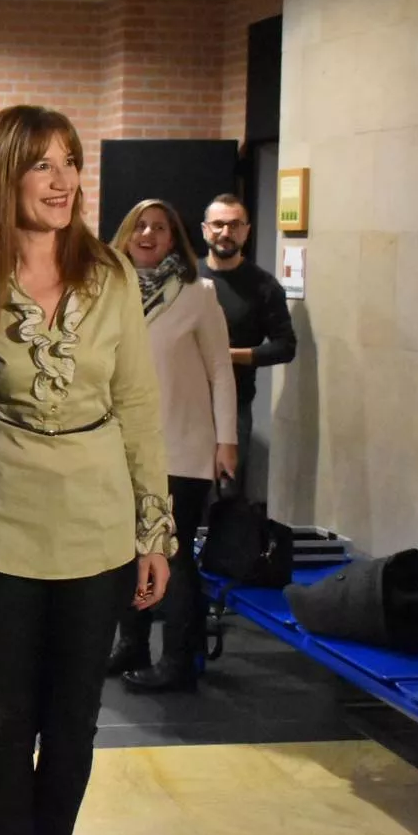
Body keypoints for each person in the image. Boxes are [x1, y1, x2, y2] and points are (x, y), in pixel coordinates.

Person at [0, 105, 174, 835]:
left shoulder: (111, 275)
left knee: (74, 720)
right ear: (0, 176)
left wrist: (153, 531)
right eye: (41, 164)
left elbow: (137, 404)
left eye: (69, 162)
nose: (63, 180)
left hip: (97, 529)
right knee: (11, 717)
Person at [109, 199, 237, 692]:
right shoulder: (108, 288)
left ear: (173, 238)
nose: (148, 233)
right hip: (123, 445)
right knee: (128, 549)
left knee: (173, 553)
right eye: (140, 225)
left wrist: (227, 441)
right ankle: (132, 645)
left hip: (182, 446)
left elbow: (221, 370)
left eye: (159, 227)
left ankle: (180, 661)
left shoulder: (197, 293)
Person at [200, 193, 296, 488]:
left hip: (235, 405)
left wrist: (228, 355)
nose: (225, 232)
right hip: (182, 403)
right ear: (205, 229)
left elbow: (285, 347)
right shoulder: (185, 279)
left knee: (225, 493)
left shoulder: (264, 286)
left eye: (234, 225)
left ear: (246, 231)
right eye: (218, 224)